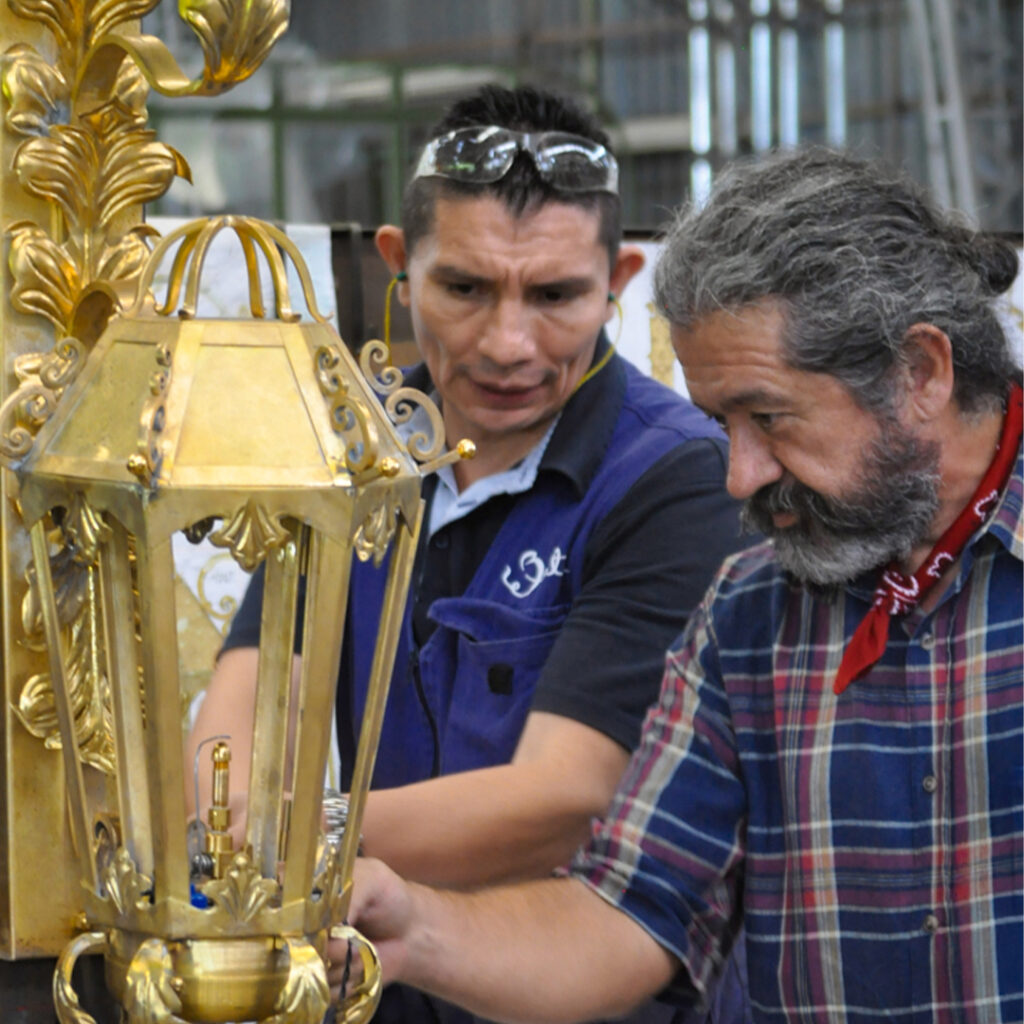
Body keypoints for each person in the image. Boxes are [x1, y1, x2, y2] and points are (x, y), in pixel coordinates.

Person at [344, 146, 1024, 1024]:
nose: (739, 476)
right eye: (720, 424)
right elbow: (625, 914)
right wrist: (416, 930)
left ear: (921, 371)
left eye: (769, 418)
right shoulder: (748, 611)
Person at [188, 85, 748, 1023]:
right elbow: (241, 704)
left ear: (622, 277)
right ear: (399, 266)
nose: (508, 343)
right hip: (375, 984)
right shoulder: (345, 456)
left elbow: (565, 796)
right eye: (466, 288)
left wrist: (287, 842)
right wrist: (227, 823)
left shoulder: (679, 478)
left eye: (557, 296)